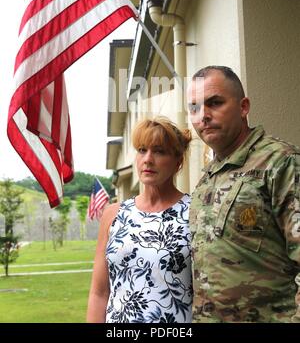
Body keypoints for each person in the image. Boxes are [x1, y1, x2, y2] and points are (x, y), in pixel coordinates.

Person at [187, 65, 300, 323]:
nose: (203, 115)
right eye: (194, 108)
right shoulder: (208, 177)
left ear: (243, 107)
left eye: (214, 103)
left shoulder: (280, 162)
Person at [87, 117, 193, 323]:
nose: (148, 159)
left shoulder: (195, 213)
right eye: (142, 150)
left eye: (159, 151)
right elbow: (99, 293)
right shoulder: (113, 214)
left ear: (178, 162)